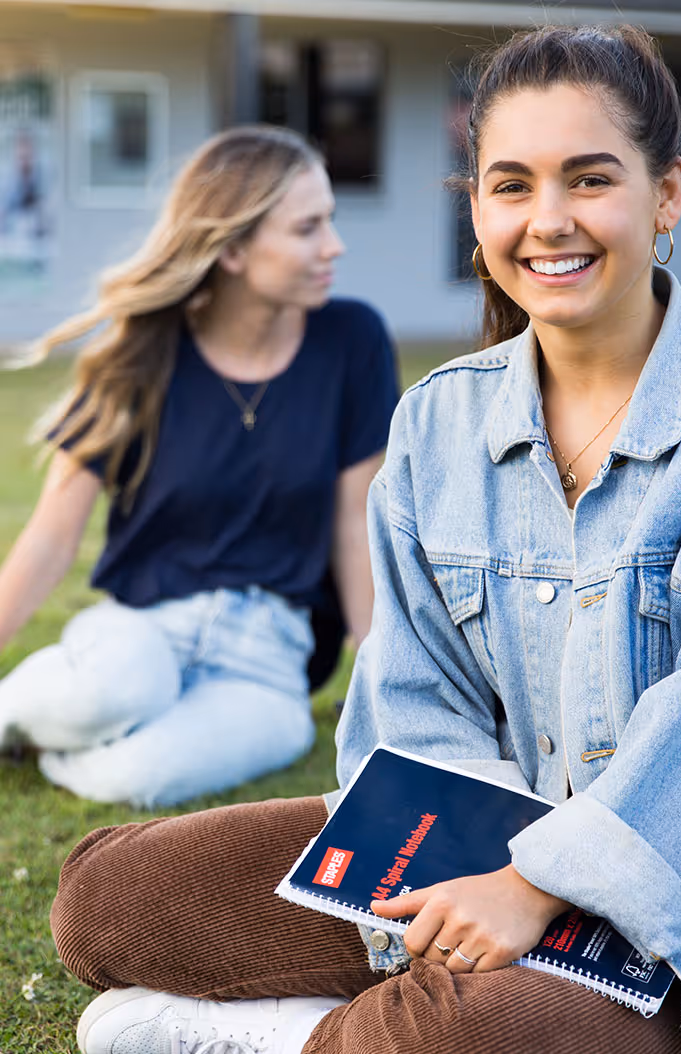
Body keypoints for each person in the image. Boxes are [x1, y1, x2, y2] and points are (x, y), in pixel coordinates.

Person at [51, 26, 681, 1054]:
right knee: (105, 898)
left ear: (666, 196)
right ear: (477, 209)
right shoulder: (439, 422)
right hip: (465, 859)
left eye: (590, 178)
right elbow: (411, 702)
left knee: (459, 1049)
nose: (549, 220)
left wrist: (533, 890)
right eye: (511, 184)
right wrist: (469, 884)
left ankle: (292, 1043)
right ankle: (400, 997)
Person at [0, 125, 398, 807]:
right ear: (235, 248)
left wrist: (388, 688)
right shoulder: (141, 351)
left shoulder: (352, 340)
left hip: (269, 664)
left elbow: (355, 532)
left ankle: (59, 750)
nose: (333, 245)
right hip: (143, 630)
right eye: (308, 228)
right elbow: (50, 538)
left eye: (328, 219)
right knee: (119, 689)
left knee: (142, 779)